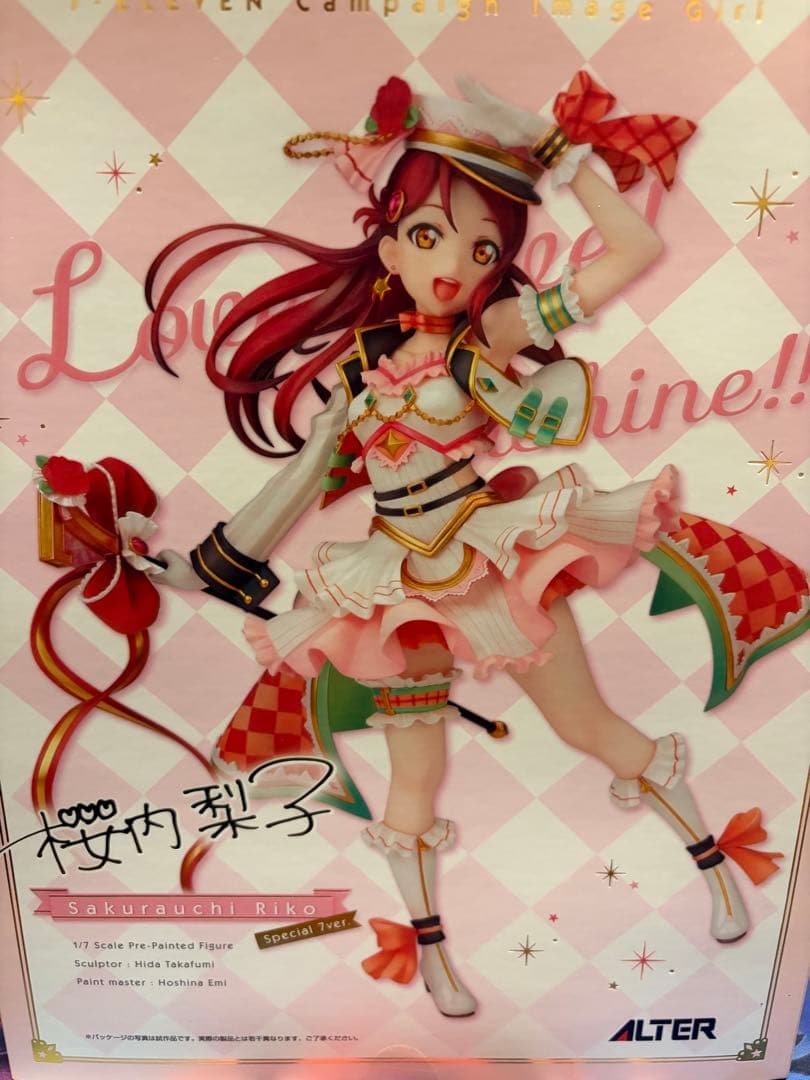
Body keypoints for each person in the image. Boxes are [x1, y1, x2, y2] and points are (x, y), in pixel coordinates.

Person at [146, 72, 783, 1017]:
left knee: (586, 726)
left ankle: (716, 870)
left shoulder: (494, 330)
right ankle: (433, 957)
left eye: (483, 248)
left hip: (492, 559)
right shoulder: (359, 368)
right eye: (429, 235)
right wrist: (204, 566)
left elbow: (636, 250)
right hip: (395, 585)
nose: (453, 263)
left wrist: (573, 164)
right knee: (415, 775)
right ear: (389, 243)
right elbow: (300, 482)